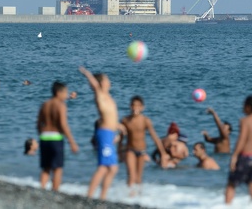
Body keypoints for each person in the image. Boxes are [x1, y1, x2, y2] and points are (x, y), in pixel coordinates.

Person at [79, 67, 120, 200]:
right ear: (101, 83)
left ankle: (102, 197)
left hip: (110, 134)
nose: (109, 81)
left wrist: (120, 127)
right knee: (104, 167)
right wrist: (88, 74)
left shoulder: (108, 97)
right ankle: (90, 196)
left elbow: (111, 116)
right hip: (104, 133)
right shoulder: (100, 95)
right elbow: (95, 85)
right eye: (107, 79)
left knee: (112, 169)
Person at [120, 95, 169, 194]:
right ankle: (128, 197)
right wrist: (119, 151)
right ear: (130, 106)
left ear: (142, 107)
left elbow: (154, 137)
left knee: (138, 178)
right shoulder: (125, 120)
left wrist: (163, 153)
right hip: (130, 150)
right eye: (133, 105)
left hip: (142, 151)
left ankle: (139, 197)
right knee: (131, 176)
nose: (135, 108)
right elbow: (121, 138)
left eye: (138, 106)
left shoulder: (145, 120)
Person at [37, 81, 79, 191]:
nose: (67, 95)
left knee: (46, 168)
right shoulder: (61, 105)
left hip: (44, 137)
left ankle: (41, 190)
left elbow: (38, 123)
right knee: (57, 169)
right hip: (56, 138)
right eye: (65, 92)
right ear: (58, 92)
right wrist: (72, 142)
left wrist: (41, 135)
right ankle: (55, 192)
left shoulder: (45, 104)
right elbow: (63, 124)